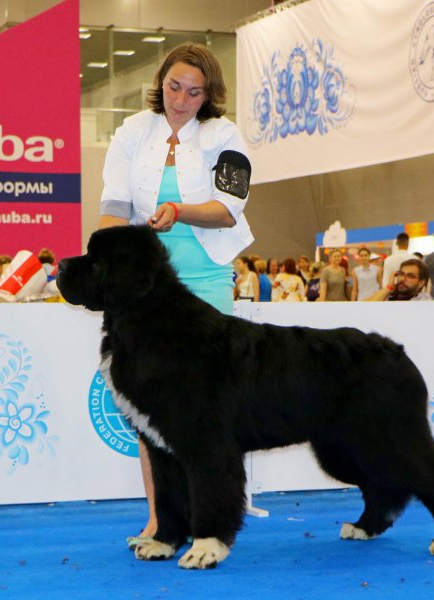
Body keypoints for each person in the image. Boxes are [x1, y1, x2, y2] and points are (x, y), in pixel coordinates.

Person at [96, 43, 253, 549]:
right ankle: (161, 521)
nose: (181, 100)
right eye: (173, 87)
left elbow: (229, 207)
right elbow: (113, 208)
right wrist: (106, 265)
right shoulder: (131, 132)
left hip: (206, 278)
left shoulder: (225, 135)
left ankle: (213, 521)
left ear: (209, 94)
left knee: (208, 415)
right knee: (150, 407)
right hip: (146, 289)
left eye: (193, 92)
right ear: (160, 82)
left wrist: (180, 211)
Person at [366, 258, 432, 301]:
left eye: (410, 276)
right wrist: (388, 287)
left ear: (421, 283)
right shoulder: (389, 295)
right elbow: (362, 307)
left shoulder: (425, 301)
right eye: (401, 274)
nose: (403, 279)